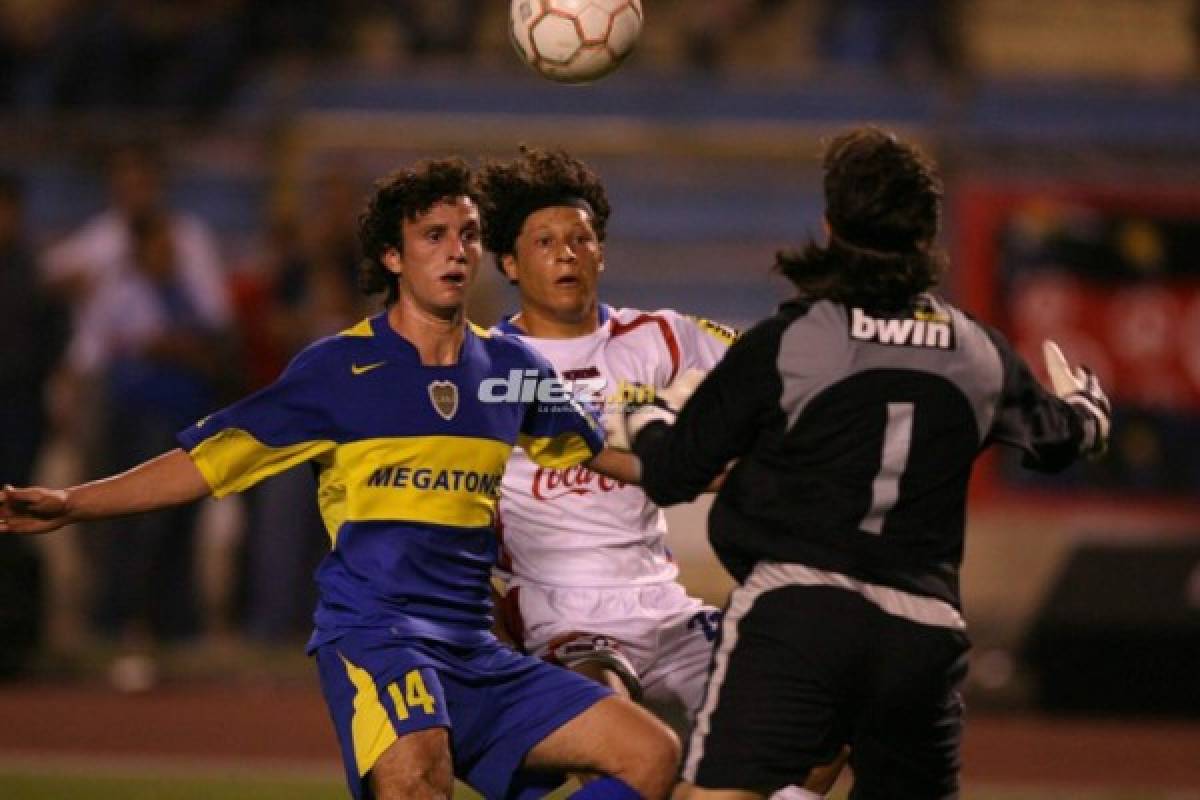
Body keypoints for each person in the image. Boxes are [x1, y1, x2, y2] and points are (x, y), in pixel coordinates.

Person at [1, 157, 679, 800]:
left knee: (650, 752)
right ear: (392, 257)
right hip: (379, 633)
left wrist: (705, 464)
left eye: (469, 235)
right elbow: (205, 463)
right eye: (434, 235)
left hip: (473, 644)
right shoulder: (336, 370)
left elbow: (599, 449)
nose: (456, 251)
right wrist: (72, 502)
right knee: (419, 771)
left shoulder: (512, 370)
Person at [616, 127, 1112, 799]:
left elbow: (673, 474)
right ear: (928, 235)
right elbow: (1066, 442)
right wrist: (1087, 406)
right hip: (924, 633)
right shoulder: (978, 352)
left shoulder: (791, 341)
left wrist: (648, 418)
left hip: (798, 613)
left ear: (829, 225)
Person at [477, 148, 842, 799]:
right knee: (634, 755)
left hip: (666, 607)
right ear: (509, 262)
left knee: (826, 719)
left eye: (580, 238)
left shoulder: (664, 337)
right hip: (562, 617)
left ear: (601, 253)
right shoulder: (484, 367)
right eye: (545, 242)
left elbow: (778, 380)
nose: (567, 254)